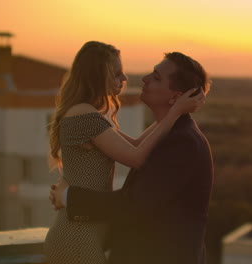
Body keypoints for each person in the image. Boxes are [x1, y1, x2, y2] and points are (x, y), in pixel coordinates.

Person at [44, 42, 204, 264]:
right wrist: (175, 111)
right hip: (77, 236)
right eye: (117, 73)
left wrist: (171, 113)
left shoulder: (91, 117)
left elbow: (138, 144)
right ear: (97, 76)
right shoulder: (85, 116)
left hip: (87, 232)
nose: (125, 78)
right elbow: (136, 158)